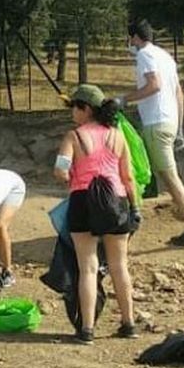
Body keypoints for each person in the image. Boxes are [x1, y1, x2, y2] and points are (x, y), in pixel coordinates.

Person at [54, 84, 138, 344]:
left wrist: (71, 177)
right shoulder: (118, 135)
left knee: (87, 267)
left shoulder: (73, 136)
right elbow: (129, 177)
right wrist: (134, 208)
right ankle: (129, 324)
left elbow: (60, 170)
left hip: (83, 200)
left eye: (74, 108)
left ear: (85, 109)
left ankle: (87, 329)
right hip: (117, 201)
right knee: (119, 266)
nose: (72, 114)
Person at [117, 20, 184, 246]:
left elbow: (154, 85)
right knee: (147, 170)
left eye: (130, 39)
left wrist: (123, 99)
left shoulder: (144, 55)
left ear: (134, 38)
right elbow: (178, 93)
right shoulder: (165, 56)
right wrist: (179, 128)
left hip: (156, 124)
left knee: (166, 175)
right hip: (169, 122)